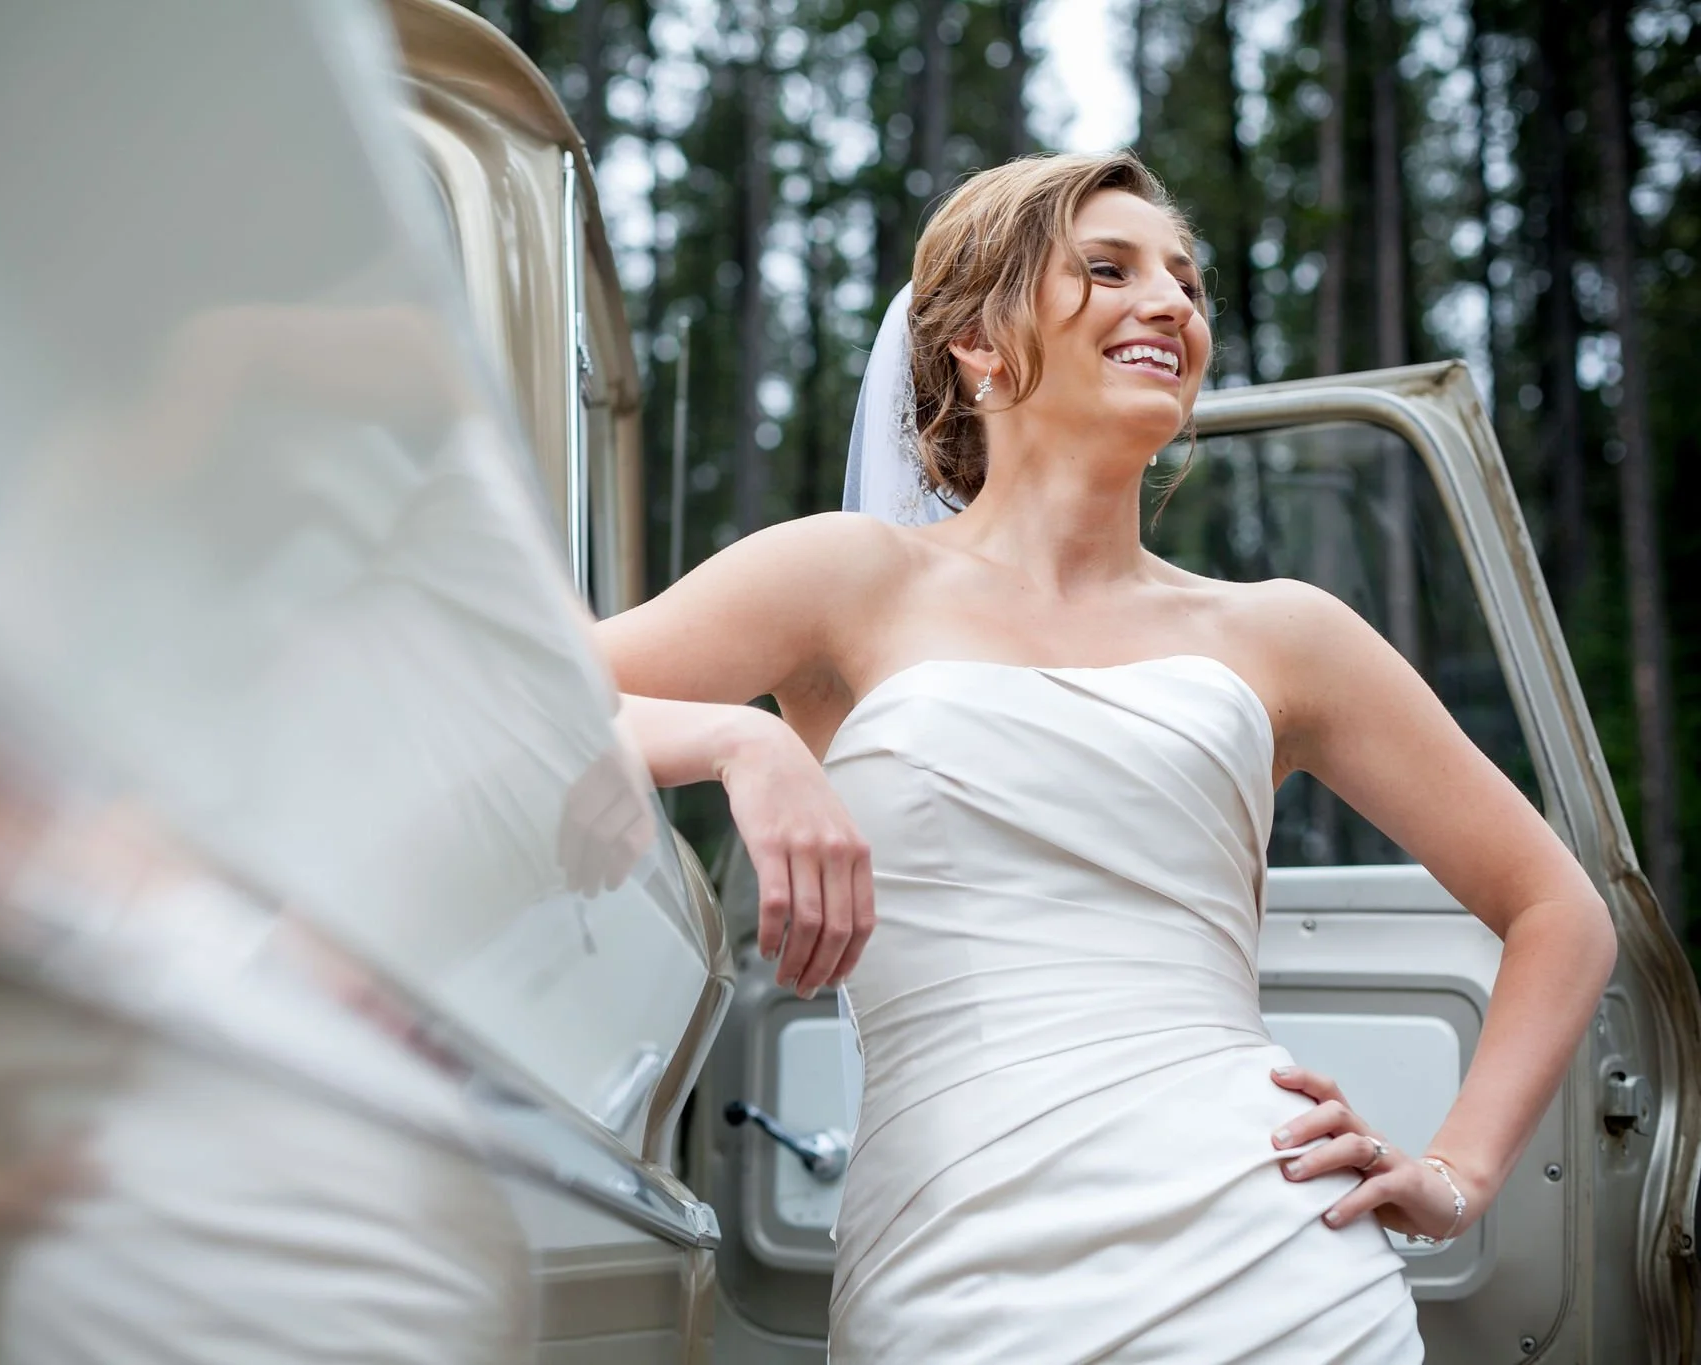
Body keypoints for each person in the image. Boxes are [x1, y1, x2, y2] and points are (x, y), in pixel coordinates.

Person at [595, 153, 1615, 1361]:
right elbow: (500, 700)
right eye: (1106, 269)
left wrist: (1454, 1172)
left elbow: (1559, 907)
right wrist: (739, 739)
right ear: (977, 343)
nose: (1172, 304)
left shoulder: (1282, 633)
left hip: (1279, 1274)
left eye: (1185, 281)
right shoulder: (841, 579)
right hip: (957, 1262)